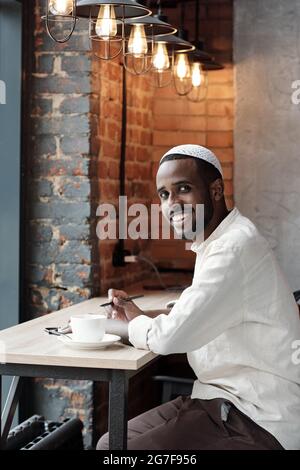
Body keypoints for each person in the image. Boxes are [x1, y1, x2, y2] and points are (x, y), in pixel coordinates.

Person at [97, 144, 300, 450]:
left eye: (183, 189)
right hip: (219, 400)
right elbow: (197, 314)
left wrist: (114, 327)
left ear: (216, 190)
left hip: (257, 417)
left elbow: (169, 338)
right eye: (164, 195)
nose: (172, 203)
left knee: (120, 450)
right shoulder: (218, 241)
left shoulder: (232, 247)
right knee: (111, 443)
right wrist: (139, 315)